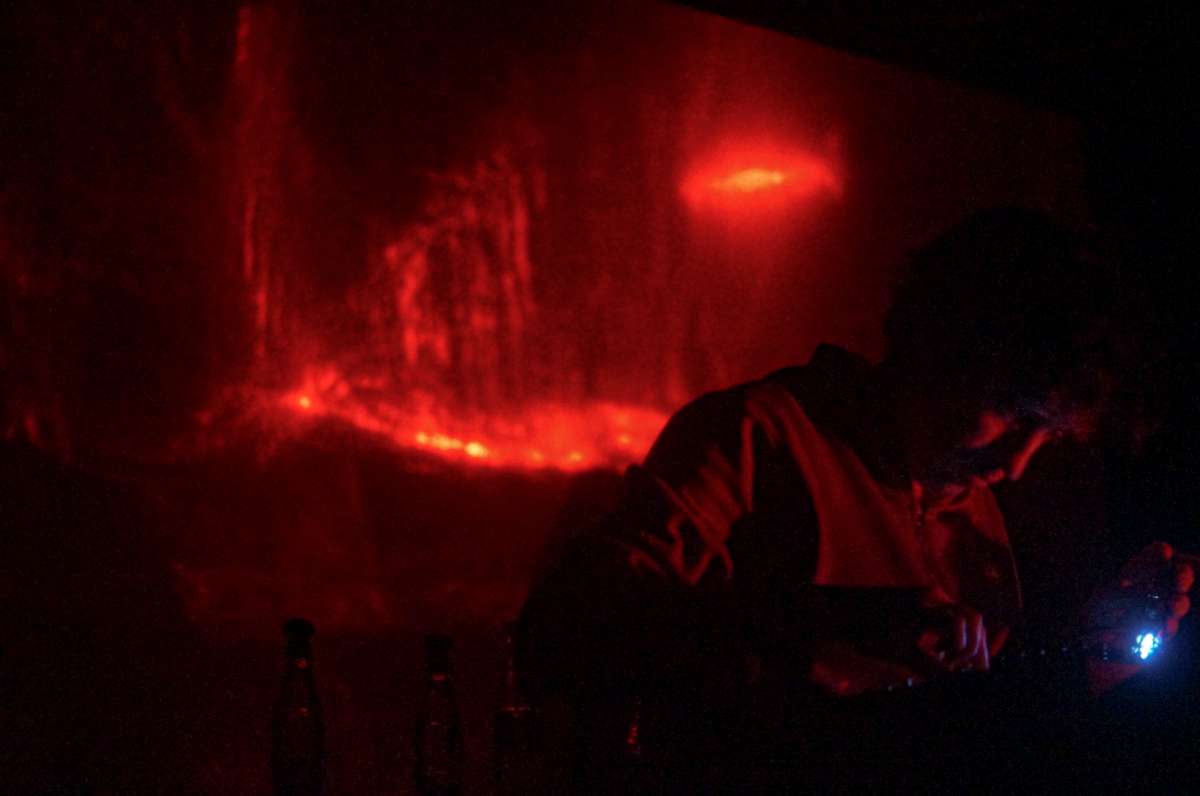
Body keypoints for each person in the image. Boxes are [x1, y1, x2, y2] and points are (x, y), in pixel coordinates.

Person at [516, 207, 1194, 790]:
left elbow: (963, 738)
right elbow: (562, 631)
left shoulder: (970, 506)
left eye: (1048, 435)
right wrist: (824, 621)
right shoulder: (755, 437)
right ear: (939, 345)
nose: (1017, 466)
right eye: (1011, 414)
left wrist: (1097, 646)